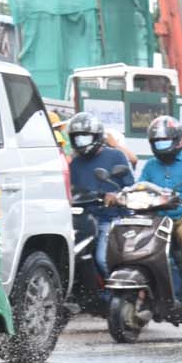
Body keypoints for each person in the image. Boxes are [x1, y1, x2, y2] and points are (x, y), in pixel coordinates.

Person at [136, 115, 182, 291]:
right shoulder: (150, 166)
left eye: (165, 141)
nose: (161, 146)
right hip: (157, 219)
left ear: (177, 141)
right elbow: (140, 186)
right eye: (157, 142)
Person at [65, 112, 135, 276]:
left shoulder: (116, 156)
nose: (80, 142)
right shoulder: (74, 163)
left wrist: (115, 195)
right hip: (82, 221)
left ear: (96, 136)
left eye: (85, 137)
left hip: (109, 219)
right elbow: (70, 191)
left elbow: (130, 186)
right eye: (77, 138)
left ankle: (117, 294)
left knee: (103, 259)